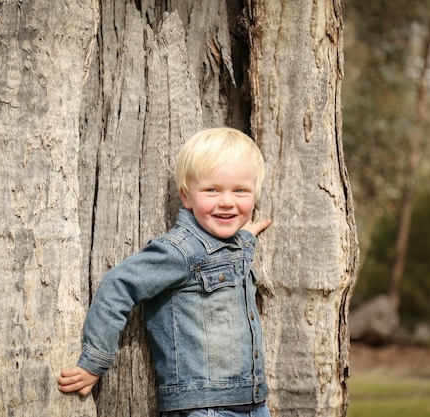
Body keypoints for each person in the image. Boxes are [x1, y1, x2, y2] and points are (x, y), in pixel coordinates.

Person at [57, 127, 273, 417]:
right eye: (212, 190)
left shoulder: (232, 245)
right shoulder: (179, 251)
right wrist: (94, 361)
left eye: (240, 191)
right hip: (205, 408)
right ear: (186, 196)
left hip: (255, 404)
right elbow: (119, 285)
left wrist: (244, 237)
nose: (227, 201)